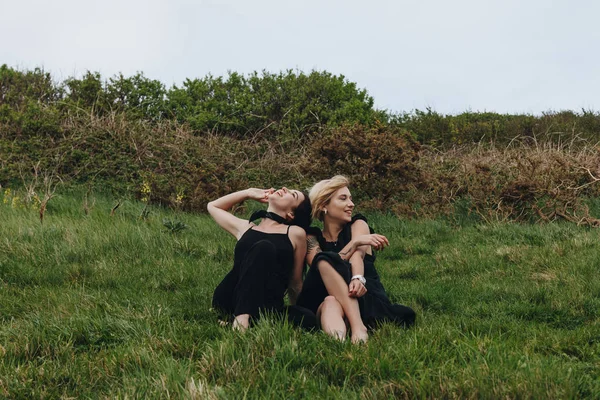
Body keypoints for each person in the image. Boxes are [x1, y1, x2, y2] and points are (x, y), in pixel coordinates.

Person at [297, 176, 415, 343]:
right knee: (328, 289)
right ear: (323, 206)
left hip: (361, 293)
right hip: (326, 295)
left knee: (332, 295)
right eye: (343, 199)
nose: (351, 204)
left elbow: (356, 256)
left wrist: (357, 277)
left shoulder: (358, 225)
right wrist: (355, 242)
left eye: (351, 199)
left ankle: (355, 330)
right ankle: (346, 337)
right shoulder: (311, 237)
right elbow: (321, 265)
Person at [208, 187, 316, 331]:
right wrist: (248, 193)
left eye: (293, 194)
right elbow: (213, 206)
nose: (284, 189)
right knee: (264, 247)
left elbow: (295, 282)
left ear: (291, 214)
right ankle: (241, 320)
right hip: (230, 296)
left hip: (266, 304)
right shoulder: (246, 227)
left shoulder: (295, 233)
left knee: (308, 319)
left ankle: (243, 320)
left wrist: (301, 310)